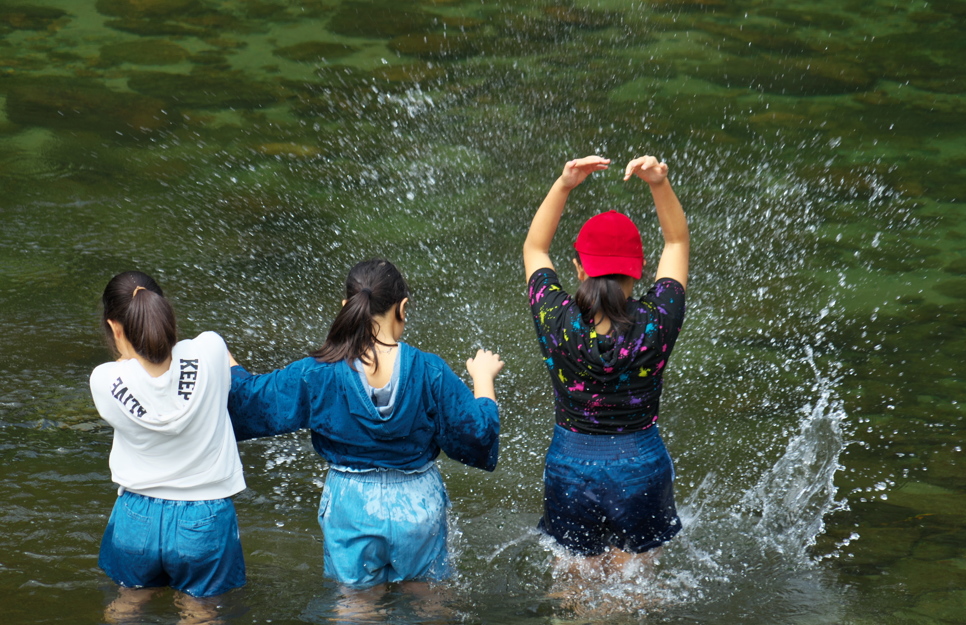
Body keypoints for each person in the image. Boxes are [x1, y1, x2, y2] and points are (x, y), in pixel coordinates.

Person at [227, 258, 504, 592]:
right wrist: (483, 380)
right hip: (417, 505)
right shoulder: (431, 371)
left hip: (350, 505)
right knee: (428, 600)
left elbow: (251, 405)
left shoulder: (317, 372)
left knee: (356, 608)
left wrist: (228, 366)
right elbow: (477, 433)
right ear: (402, 308)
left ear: (346, 307)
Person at [523, 155, 690, 583]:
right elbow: (677, 243)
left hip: (570, 468)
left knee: (572, 584)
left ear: (579, 268)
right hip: (641, 467)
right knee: (636, 588)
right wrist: (659, 183)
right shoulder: (657, 322)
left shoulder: (557, 320)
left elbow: (535, 247)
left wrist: (564, 184)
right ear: (640, 271)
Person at [89, 271, 246, 625]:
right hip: (203, 519)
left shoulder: (104, 380)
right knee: (201, 615)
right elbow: (239, 383)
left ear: (115, 327)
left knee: (127, 603)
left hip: (136, 517)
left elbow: (143, 379)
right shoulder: (208, 349)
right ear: (164, 311)